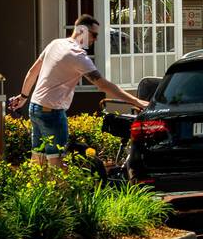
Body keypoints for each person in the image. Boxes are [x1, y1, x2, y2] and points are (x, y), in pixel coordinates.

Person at [8, 14, 148, 167]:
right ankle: (65, 191)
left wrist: (23, 97)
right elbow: (103, 85)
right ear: (82, 31)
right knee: (57, 162)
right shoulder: (77, 55)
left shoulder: (55, 44)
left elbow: (32, 72)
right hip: (52, 112)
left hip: (35, 107)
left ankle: (37, 190)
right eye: (94, 35)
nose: (95, 39)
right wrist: (136, 101)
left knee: (38, 159)